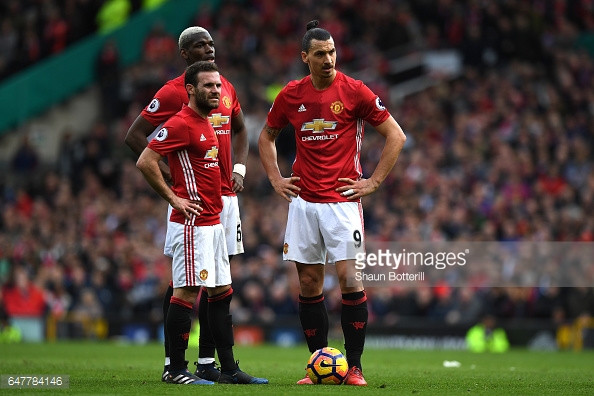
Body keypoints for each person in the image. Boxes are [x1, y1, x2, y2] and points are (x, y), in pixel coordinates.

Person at [258, 20, 406, 386]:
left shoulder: (354, 91)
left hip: (342, 202)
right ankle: (316, 365)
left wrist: (372, 182)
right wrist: (275, 178)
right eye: (321, 54)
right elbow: (266, 136)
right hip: (304, 203)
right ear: (305, 57)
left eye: (333, 52)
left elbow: (395, 135)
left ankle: (354, 367)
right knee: (309, 284)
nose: (328, 59)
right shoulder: (290, 95)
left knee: (349, 279)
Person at [125, 26, 248, 382]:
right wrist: (173, 181)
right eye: (200, 45)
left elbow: (239, 130)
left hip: (222, 199)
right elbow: (138, 141)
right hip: (192, 206)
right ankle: (174, 366)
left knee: (218, 285)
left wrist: (239, 167)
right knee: (186, 283)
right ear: (185, 54)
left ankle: (214, 365)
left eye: (211, 43)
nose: (209, 49)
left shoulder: (221, 95)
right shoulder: (175, 99)